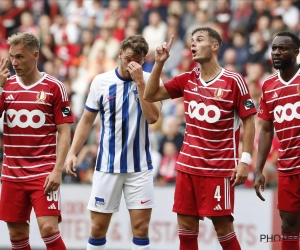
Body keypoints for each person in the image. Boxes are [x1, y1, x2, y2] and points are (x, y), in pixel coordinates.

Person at [144, 27, 256, 250]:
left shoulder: (234, 81)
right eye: (191, 41)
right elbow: (150, 94)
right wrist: (159, 63)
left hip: (219, 168)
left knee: (223, 228)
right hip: (187, 166)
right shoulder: (187, 79)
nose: (193, 44)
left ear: (215, 46)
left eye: (199, 40)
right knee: (186, 229)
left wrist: (244, 161)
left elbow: (249, 121)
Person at [65, 35, 161, 250]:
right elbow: (87, 120)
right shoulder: (101, 81)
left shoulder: (152, 80)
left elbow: (153, 117)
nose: (132, 64)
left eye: (137, 60)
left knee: (141, 227)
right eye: (128, 58)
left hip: (140, 167)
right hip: (107, 166)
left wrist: (140, 83)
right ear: (119, 55)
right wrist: (72, 152)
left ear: (144, 59)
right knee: (98, 228)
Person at [0, 32, 73, 249]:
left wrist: (57, 169)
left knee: (49, 228)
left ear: (36, 55)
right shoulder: (7, 86)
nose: (15, 62)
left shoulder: (54, 87)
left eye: (20, 57)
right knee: (17, 234)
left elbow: (64, 132)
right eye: (12, 57)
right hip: (12, 173)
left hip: (43, 172)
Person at [254, 31, 300, 250]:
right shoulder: (268, 85)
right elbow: (265, 129)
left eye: (283, 48)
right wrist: (258, 169)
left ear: (296, 52)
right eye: (274, 48)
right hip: (288, 166)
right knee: (289, 226)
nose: (277, 52)